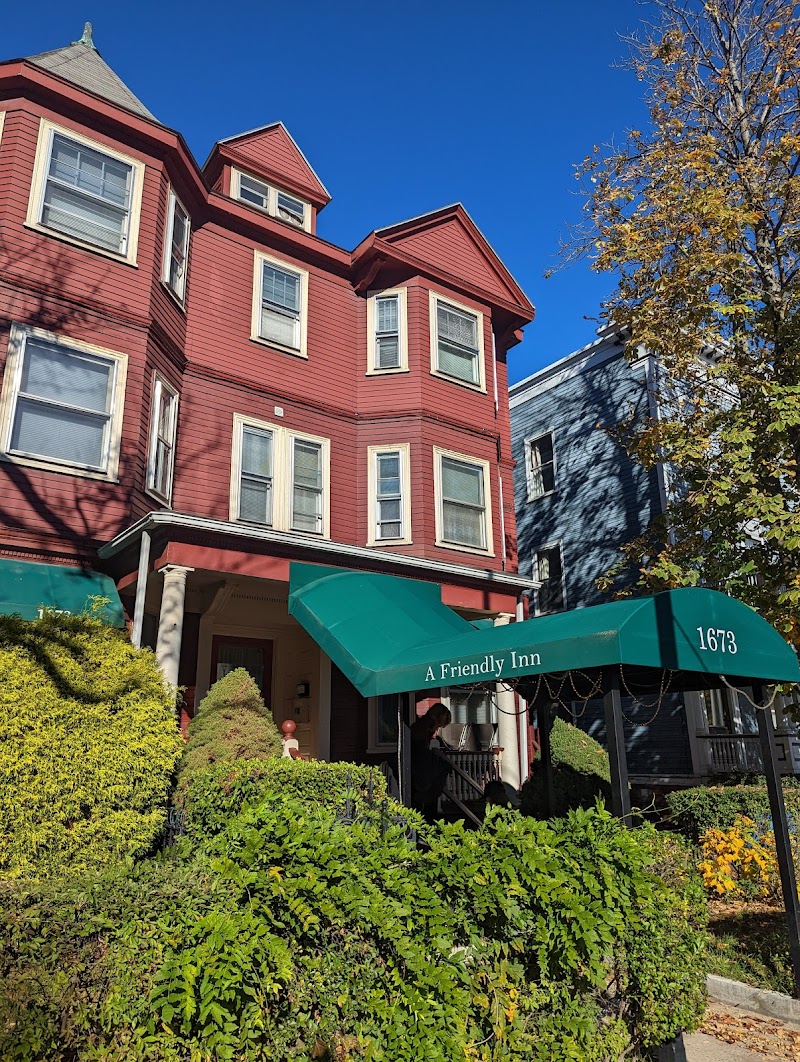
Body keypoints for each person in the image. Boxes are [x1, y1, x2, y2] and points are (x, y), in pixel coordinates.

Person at [409, 703, 452, 821]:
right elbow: (420, 745)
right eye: (438, 728)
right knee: (443, 767)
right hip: (418, 762)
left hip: (418, 762)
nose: (436, 732)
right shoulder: (425, 726)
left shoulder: (422, 724)